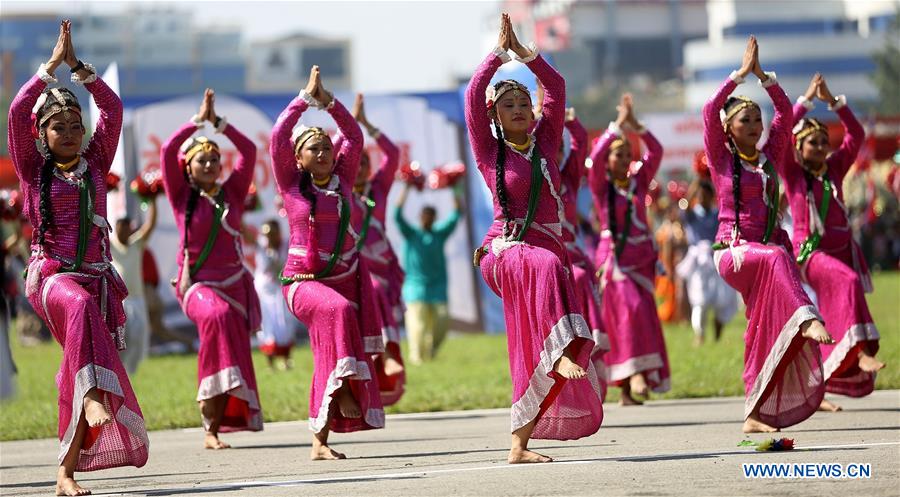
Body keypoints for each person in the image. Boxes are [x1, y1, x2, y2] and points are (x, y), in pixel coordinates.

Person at [8, 20, 148, 495]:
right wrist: (50, 68)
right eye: (57, 127)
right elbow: (16, 110)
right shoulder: (32, 169)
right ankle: (91, 404)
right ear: (41, 135)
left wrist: (80, 70)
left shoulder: (96, 162)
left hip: (96, 280)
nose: (68, 133)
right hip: (50, 277)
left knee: (79, 361)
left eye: (75, 126)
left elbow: (112, 109)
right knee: (80, 311)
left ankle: (65, 471)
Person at [467, 14, 604, 464]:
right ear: (495, 115)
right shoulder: (491, 153)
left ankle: (518, 445)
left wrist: (528, 56)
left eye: (525, 101)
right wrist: (495, 56)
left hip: (545, 254)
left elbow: (558, 88)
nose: (521, 109)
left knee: (529, 337)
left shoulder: (546, 145)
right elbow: (472, 97)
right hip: (503, 251)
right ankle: (562, 349)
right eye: (509, 105)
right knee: (547, 267)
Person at [702, 36, 833, 433]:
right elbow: (709, 109)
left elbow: (785, 112)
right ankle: (807, 317)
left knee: (759, 328)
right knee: (777, 256)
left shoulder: (769, 157)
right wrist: (739, 76)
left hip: (767, 253)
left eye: (758, 120)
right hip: (734, 251)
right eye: (746, 120)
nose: (756, 126)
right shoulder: (721, 157)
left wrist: (765, 79)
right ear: (728, 128)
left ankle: (753, 413)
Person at [271, 66, 385, 461]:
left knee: (325, 349)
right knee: (335, 311)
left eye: (325, 148)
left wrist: (331, 104)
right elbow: (276, 138)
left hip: (347, 277)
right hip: (302, 283)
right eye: (313, 149)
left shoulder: (343, 182)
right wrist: (304, 100)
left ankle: (319, 440)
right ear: (298, 159)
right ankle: (350, 387)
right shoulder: (291, 187)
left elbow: (352, 136)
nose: (322, 153)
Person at [160, 88, 263, 449]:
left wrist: (219, 124)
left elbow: (248, 151)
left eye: (213, 159)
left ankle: (215, 428)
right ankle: (209, 424)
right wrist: (196, 122)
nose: (208, 165)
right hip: (198, 286)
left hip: (235, 284)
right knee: (217, 318)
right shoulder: (181, 197)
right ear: (187, 167)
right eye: (200, 160)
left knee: (234, 348)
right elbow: (167, 151)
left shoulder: (232, 193)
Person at [784, 73, 884, 411]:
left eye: (825, 142)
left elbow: (855, 134)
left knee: (825, 319)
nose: (822, 148)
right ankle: (863, 355)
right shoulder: (792, 174)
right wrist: (805, 101)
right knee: (849, 281)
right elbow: (779, 136)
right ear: (798, 147)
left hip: (843, 250)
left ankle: (819, 385)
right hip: (812, 254)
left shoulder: (835, 169)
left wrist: (835, 104)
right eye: (813, 142)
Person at [587, 93, 671, 405]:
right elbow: (593, 159)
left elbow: (657, 151)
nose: (623, 160)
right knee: (628, 312)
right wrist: (616, 126)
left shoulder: (637, 182)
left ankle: (626, 389)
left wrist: (639, 128)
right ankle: (634, 375)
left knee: (639, 315)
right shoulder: (601, 186)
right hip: (615, 261)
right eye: (616, 155)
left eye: (626, 154)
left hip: (642, 260)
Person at [346, 94, 406, 404]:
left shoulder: (378, 189)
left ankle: (386, 357)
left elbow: (393, 154)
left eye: (364, 163)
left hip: (382, 264)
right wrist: (350, 126)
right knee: (374, 292)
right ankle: (379, 361)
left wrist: (367, 125)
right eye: (354, 164)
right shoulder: (338, 192)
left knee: (380, 290)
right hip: (354, 268)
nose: (359, 169)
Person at [394, 183, 461, 364]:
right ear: (420, 217)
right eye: (424, 216)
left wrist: (454, 187)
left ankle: (431, 350)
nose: (427, 219)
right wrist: (406, 187)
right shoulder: (411, 234)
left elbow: (456, 215)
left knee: (442, 321)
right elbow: (397, 215)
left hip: (438, 286)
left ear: (434, 218)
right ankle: (417, 357)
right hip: (415, 287)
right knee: (417, 324)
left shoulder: (439, 234)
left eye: (430, 217)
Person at [676, 180, 738, 345]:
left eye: (706, 195)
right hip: (698, 262)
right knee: (699, 300)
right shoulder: (692, 214)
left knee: (721, 299)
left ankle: (718, 328)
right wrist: (695, 184)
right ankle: (700, 335)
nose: (702, 198)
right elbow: (685, 208)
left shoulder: (717, 214)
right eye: (699, 195)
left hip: (715, 258)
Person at [110, 196, 157, 374]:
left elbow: (150, 226)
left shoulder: (136, 244)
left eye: (126, 225)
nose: (123, 229)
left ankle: (130, 371)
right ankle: (119, 370)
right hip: (119, 302)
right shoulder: (110, 246)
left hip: (137, 300)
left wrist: (152, 198)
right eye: (120, 225)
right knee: (121, 340)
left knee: (138, 339)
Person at [253, 219, 296, 369]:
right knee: (267, 324)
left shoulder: (286, 245)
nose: (269, 236)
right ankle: (270, 362)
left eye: (272, 233)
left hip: (282, 289)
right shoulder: (261, 245)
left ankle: (286, 358)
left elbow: (283, 266)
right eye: (267, 233)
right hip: (265, 291)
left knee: (285, 322)